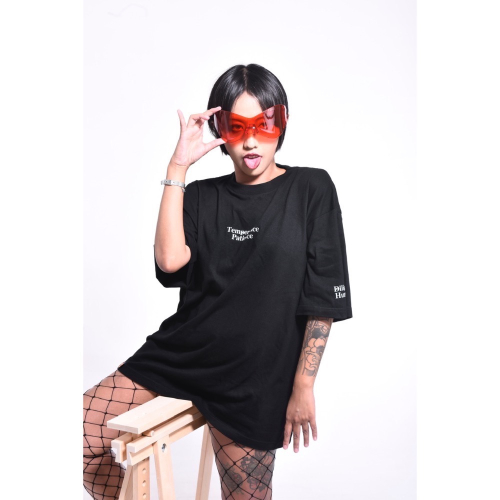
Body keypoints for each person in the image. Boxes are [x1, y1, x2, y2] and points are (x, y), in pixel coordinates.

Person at [83, 63, 353, 500]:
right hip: (183, 355)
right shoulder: (202, 196)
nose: (250, 141)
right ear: (220, 131)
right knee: (77, 437)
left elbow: (322, 295)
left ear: (282, 122)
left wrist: (303, 385)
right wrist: (178, 166)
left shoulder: (311, 188)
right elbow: (170, 261)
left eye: (263, 125)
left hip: (254, 377)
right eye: (236, 127)